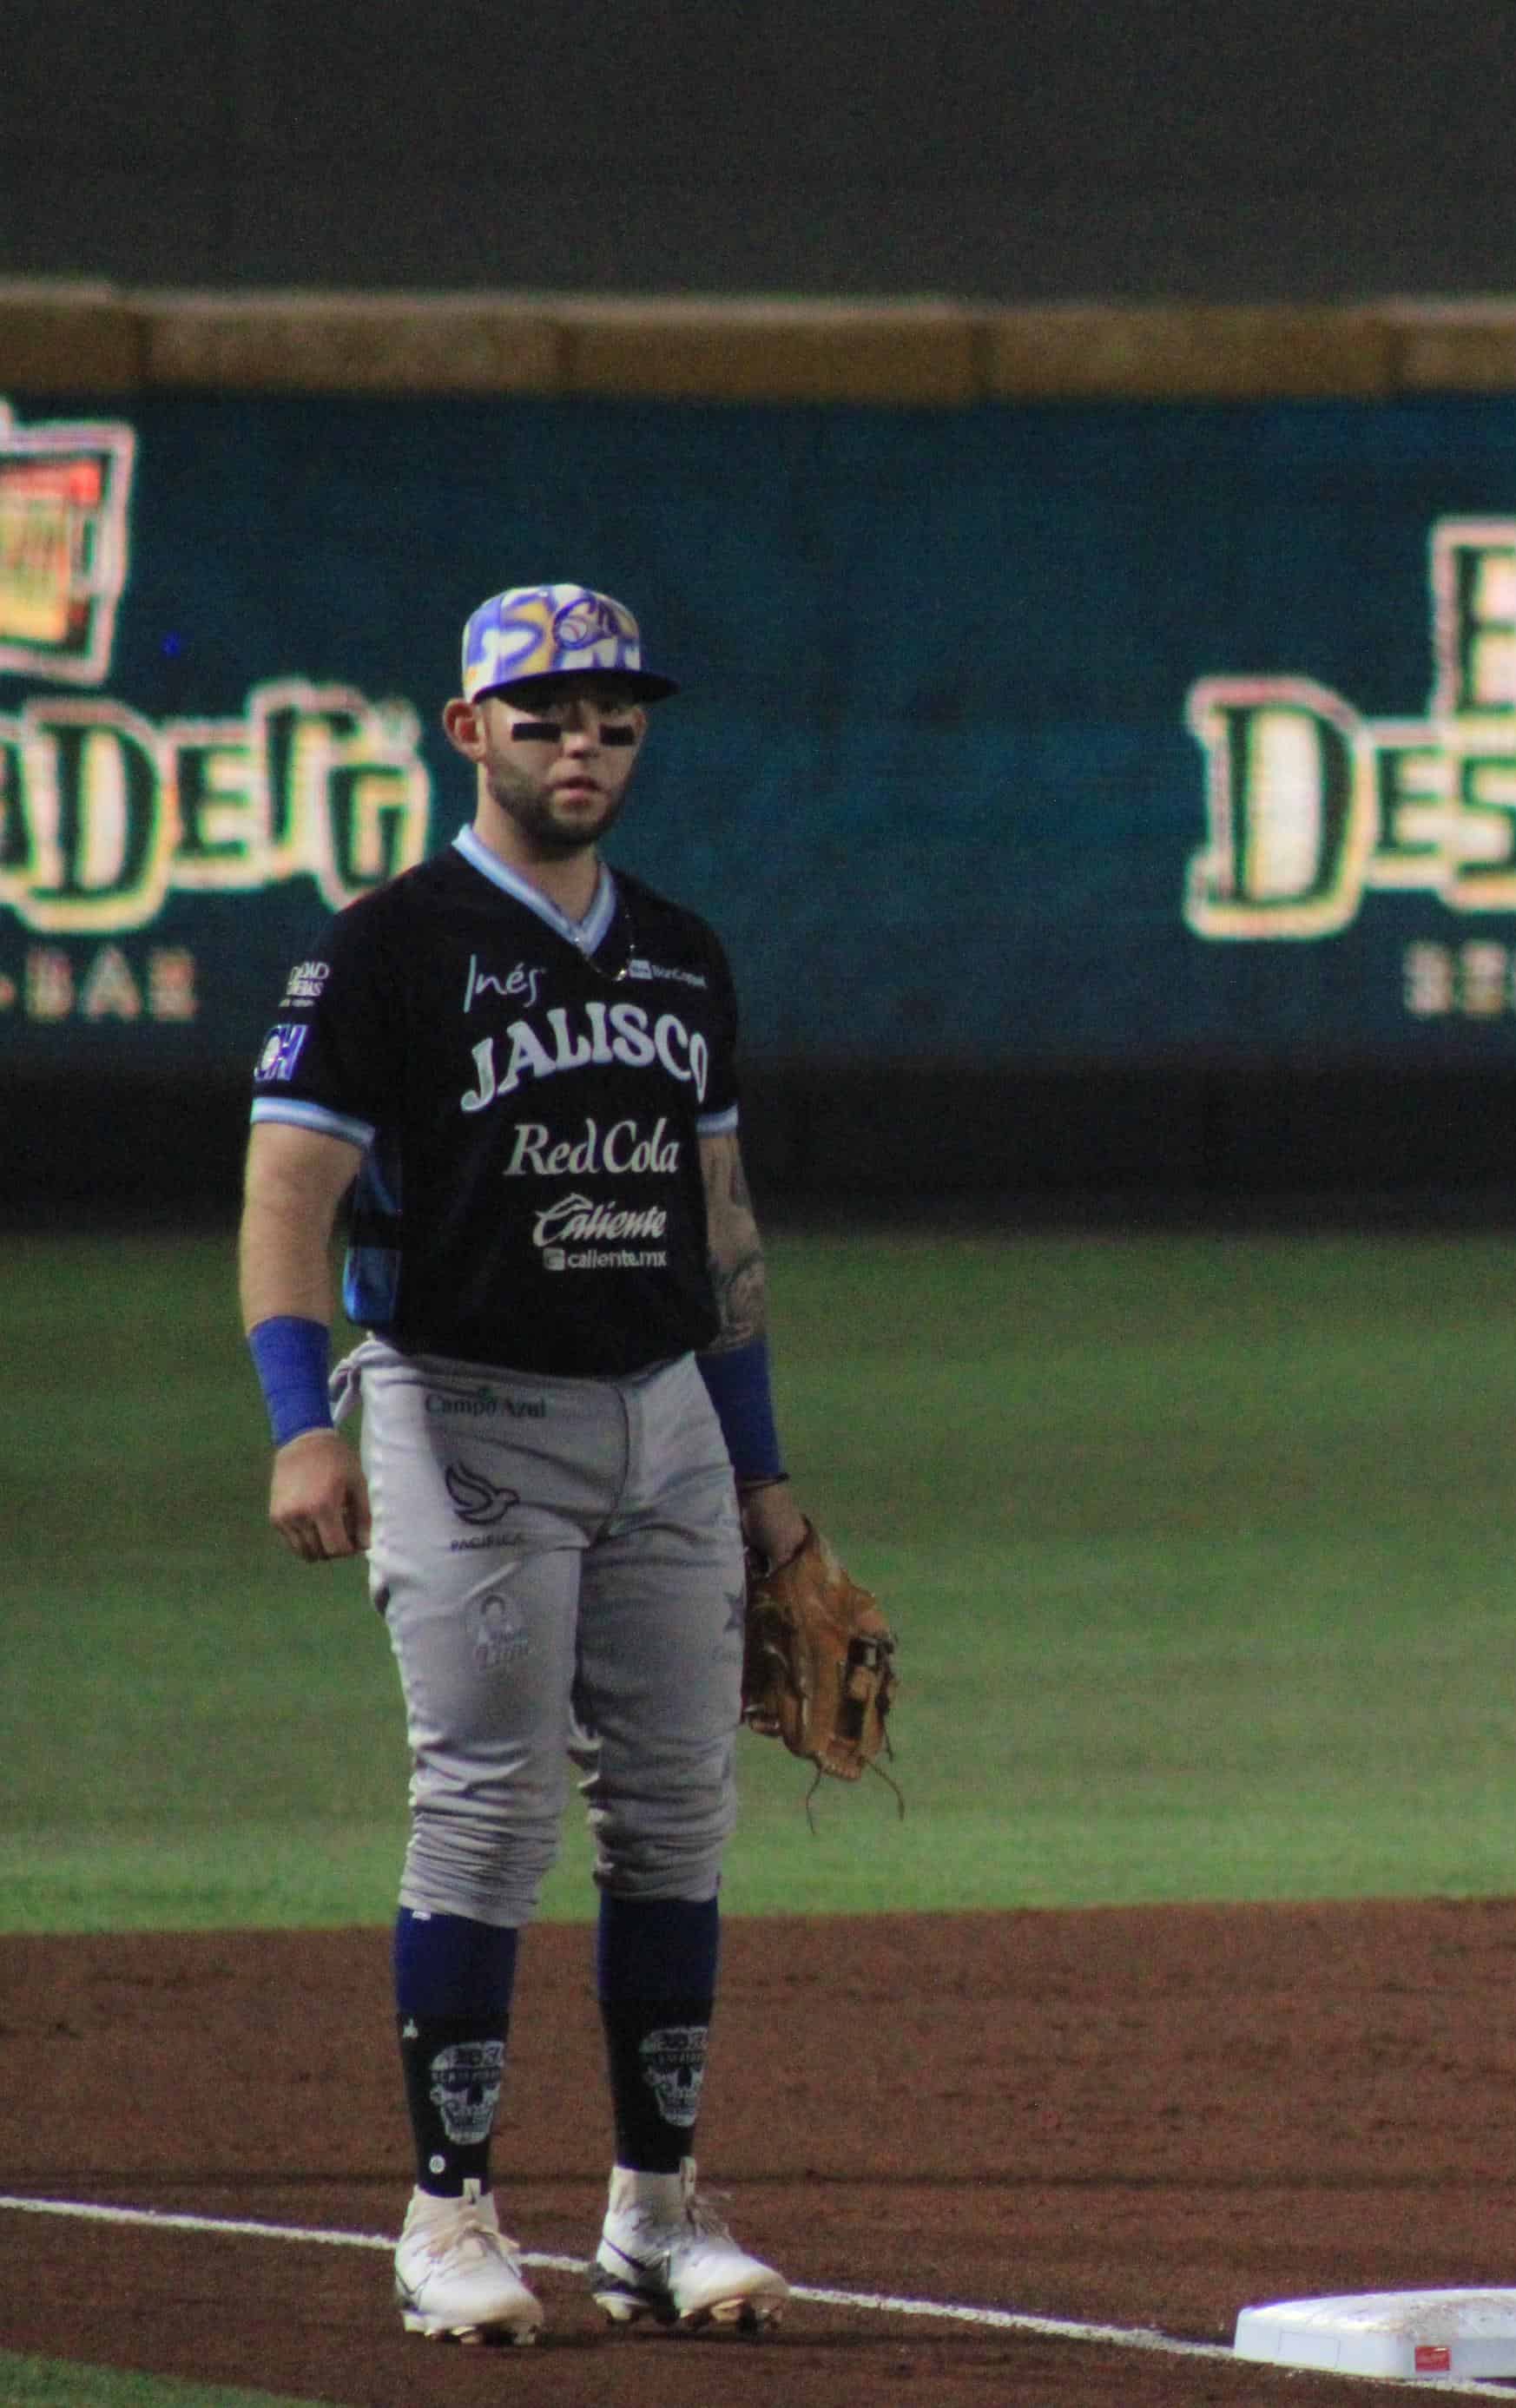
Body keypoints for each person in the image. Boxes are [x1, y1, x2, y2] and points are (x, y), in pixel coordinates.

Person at [240, 583, 805, 2345]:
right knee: (486, 1809)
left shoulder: (683, 952)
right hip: (462, 1410)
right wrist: (298, 1420)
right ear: (467, 729)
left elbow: (717, 1230)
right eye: (548, 717)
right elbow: (286, 1194)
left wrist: (767, 1471)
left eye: (614, 721)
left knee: (676, 1813)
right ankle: (447, 2217)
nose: (585, 747)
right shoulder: (385, 948)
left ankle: (652, 2214)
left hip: (668, 1427)